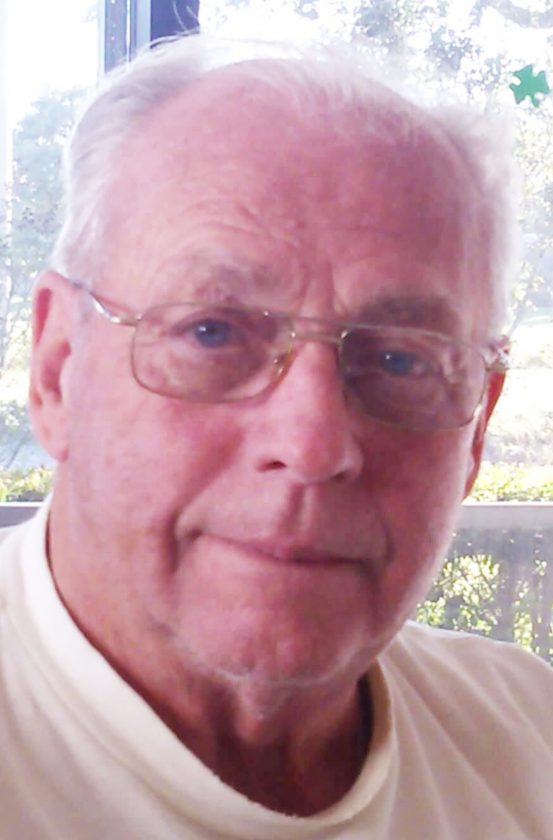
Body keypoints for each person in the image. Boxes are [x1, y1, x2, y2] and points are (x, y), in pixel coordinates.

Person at [0, 34, 551, 839]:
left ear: (476, 431)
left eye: (399, 359)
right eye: (212, 332)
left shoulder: (528, 743)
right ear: (57, 369)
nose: (315, 446)